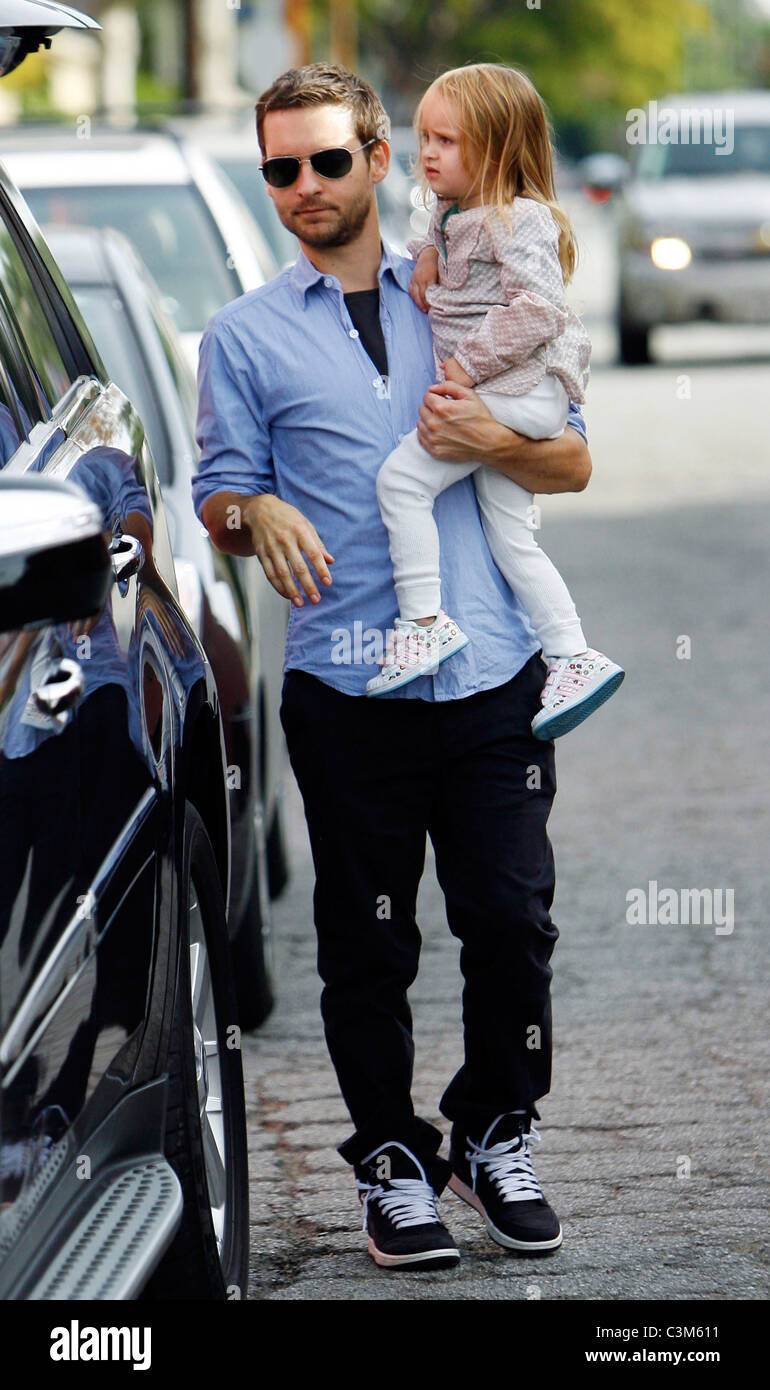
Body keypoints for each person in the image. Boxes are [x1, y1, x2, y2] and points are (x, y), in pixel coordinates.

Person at [193, 62, 594, 1271]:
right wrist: (247, 515)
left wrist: (488, 438)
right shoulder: (243, 334)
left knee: (511, 924)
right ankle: (390, 1159)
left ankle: (491, 1128)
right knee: (367, 941)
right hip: (344, 684)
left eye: (325, 159)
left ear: (378, 156)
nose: (303, 186)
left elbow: (571, 463)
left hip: (490, 677)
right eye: (278, 168)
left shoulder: (464, 287)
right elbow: (218, 484)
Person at [367, 63, 624, 742]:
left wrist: (462, 367)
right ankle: (571, 654)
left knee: (400, 482)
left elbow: (539, 309)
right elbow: (443, 236)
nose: (427, 153)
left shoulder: (521, 219)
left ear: (498, 148)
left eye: (445, 141)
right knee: (512, 538)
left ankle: (423, 622)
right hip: (505, 395)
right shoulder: (456, 213)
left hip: (517, 394)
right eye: (423, 136)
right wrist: (425, 254)